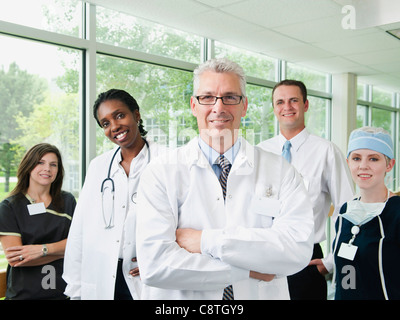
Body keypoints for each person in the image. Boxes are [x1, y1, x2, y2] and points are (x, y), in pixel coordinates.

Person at [136, 58, 314, 300]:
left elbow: (296, 250)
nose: (218, 108)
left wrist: (205, 240)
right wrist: (247, 269)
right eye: (207, 97)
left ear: (245, 105)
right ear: (193, 105)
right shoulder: (160, 173)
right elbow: (156, 265)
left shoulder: (282, 171)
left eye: (230, 97)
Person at [63, 89, 165, 300]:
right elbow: (79, 231)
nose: (114, 127)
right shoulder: (98, 166)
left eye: (119, 115)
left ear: (136, 115)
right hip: (103, 275)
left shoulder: (168, 160)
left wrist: (163, 262)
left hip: (149, 277)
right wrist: (75, 290)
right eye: (105, 123)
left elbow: (187, 223)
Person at [258, 79, 354, 300]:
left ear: (306, 105)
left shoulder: (326, 151)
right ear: (274, 108)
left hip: (306, 261)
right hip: (264, 256)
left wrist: (332, 261)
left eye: (294, 100)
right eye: (280, 102)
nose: (287, 107)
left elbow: (348, 211)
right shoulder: (261, 152)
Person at [0, 143, 76, 299]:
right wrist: (64, 252)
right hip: (24, 295)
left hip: (63, 293)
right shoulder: (9, 207)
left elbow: (80, 244)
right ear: (28, 165)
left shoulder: (68, 201)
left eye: (53, 164)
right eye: (40, 162)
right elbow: (17, 259)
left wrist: (42, 250)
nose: (47, 168)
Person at [333, 126, 400, 299]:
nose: (363, 166)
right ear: (348, 163)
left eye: (373, 159)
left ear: (389, 164)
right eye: (356, 158)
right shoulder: (346, 212)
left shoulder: (396, 212)